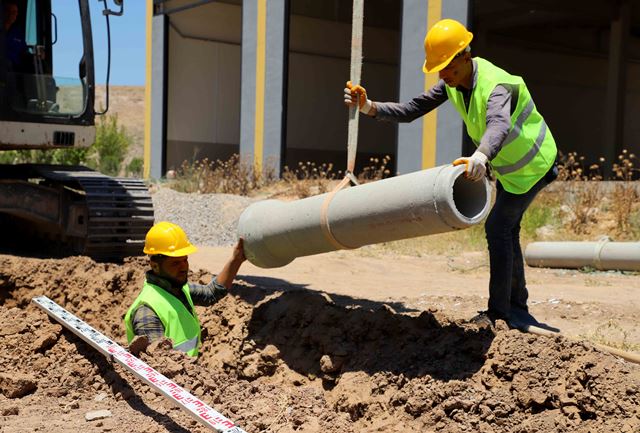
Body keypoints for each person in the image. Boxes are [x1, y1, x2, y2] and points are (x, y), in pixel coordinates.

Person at [344, 18, 558, 328]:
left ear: (466, 56)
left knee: (498, 228)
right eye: (440, 69)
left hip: (534, 166)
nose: (444, 75)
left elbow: (499, 124)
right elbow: (412, 109)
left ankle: (501, 314)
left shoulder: (496, 85)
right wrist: (370, 107)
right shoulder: (453, 82)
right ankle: (516, 308)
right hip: (515, 171)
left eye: (449, 68)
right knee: (505, 229)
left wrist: (481, 156)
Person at [124, 221, 246, 356]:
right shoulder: (147, 312)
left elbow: (211, 293)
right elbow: (158, 364)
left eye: (185, 260)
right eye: (175, 263)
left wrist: (236, 260)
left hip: (188, 372)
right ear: (155, 266)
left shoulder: (179, 289)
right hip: (175, 376)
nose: (184, 267)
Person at [3, 0, 28, 71]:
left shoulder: (18, 32)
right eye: (13, 12)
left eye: (16, 12)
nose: (15, 14)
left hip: (15, 71)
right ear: (5, 12)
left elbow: (24, 51)